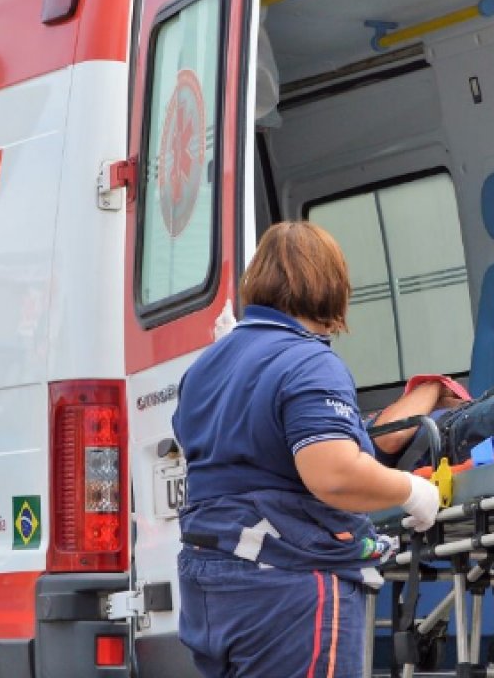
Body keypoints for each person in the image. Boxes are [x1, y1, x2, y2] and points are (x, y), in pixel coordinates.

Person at [173, 221, 441, 678]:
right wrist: (411, 493)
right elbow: (333, 473)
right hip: (285, 589)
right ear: (332, 285)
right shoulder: (308, 361)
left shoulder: (206, 365)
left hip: (209, 583)